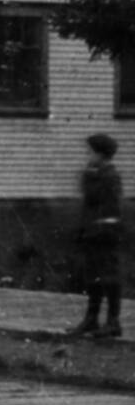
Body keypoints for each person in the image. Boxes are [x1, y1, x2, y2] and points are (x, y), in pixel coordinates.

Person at [72, 133, 124, 339]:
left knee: (109, 277)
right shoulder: (96, 174)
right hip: (92, 231)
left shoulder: (109, 176)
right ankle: (91, 319)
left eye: (90, 152)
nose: (87, 156)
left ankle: (113, 322)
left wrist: (88, 175)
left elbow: (103, 202)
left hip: (105, 233)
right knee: (92, 276)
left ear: (101, 155)